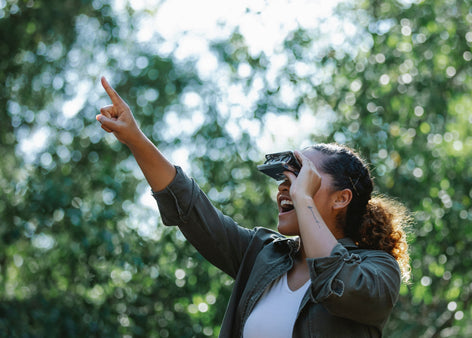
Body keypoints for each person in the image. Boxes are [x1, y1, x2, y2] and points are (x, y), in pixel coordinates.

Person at [96, 76, 412, 337]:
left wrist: (303, 200)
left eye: (302, 175)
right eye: (285, 178)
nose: (286, 187)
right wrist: (136, 139)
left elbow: (337, 286)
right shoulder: (263, 254)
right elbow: (191, 209)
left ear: (342, 198)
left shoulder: (377, 269)